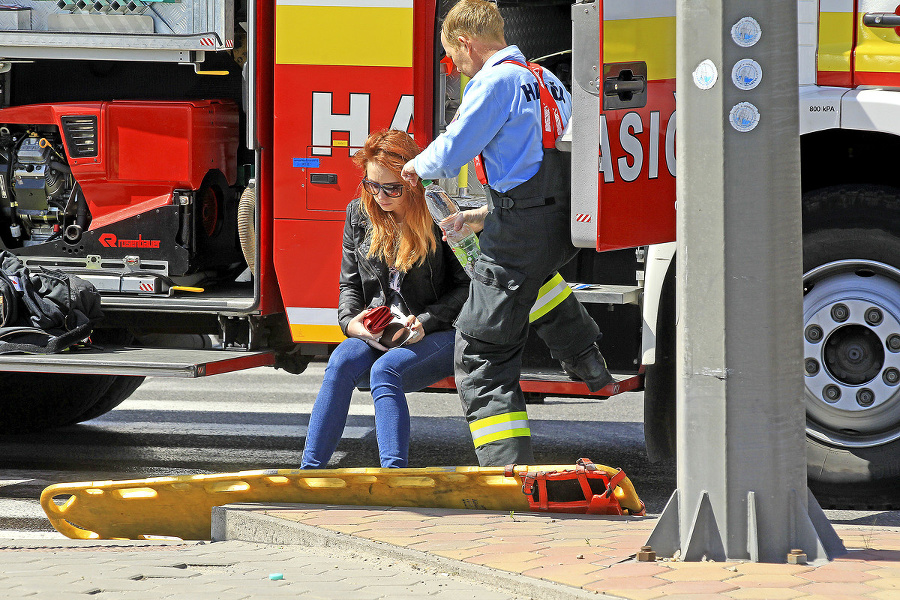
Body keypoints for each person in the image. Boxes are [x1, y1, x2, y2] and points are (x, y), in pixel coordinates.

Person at [401, 0, 613, 467]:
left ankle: (505, 471)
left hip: (521, 229)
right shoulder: (547, 79)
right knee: (533, 281)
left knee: (480, 356)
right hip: (553, 225)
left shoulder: (495, 81)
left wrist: (413, 167)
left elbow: (453, 149)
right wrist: (482, 216)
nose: (455, 68)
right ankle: (590, 365)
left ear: (465, 43)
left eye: (452, 59)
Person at [302, 129, 469, 469]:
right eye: (371, 185)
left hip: (439, 329)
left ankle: (393, 475)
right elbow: (349, 285)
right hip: (383, 328)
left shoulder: (440, 214)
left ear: (411, 180)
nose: (380, 195)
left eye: (391, 187)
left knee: (385, 371)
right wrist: (352, 323)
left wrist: (425, 322)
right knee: (339, 363)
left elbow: (469, 286)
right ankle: (309, 472)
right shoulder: (358, 214)